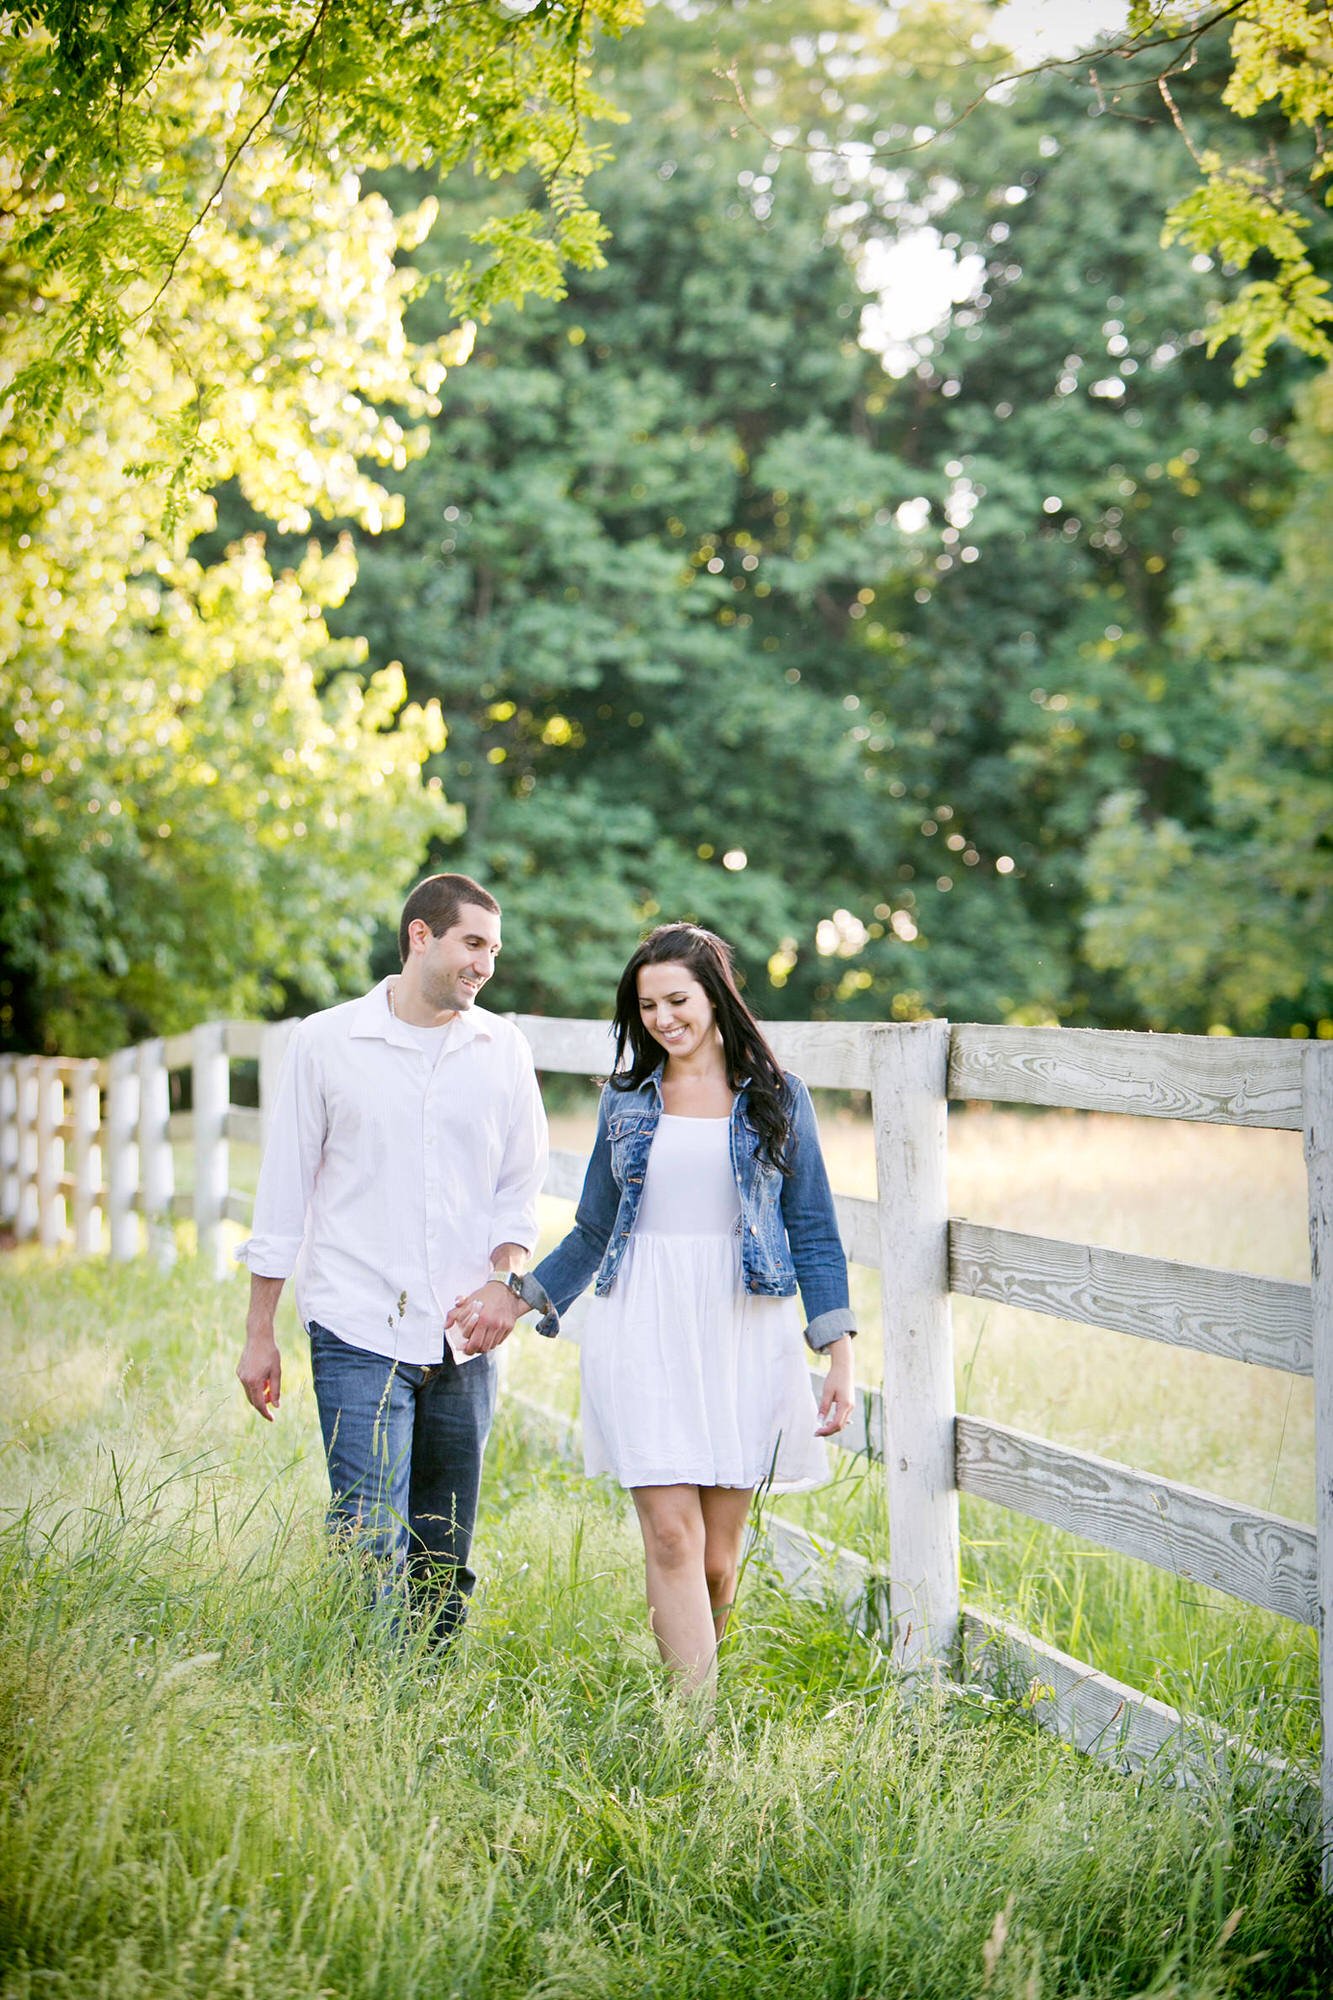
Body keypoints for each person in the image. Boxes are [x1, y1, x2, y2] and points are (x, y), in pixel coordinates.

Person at [449, 922, 856, 1692]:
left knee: (714, 1563)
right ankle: (691, 1735)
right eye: (647, 1006)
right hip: (642, 1323)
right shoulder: (628, 1103)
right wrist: (517, 1295)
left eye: (677, 1000)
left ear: (715, 998)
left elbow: (812, 1230)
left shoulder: (776, 1098)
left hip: (742, 1330)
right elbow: (595, 1229)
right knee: (670, 1537)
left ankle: (693, 1687)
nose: (663, 1019)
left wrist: (836, 1352)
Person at [235, 872, 553, 1643]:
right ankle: (359, 1700)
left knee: (444, 1548)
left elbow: (520, 1185)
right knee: (366, 1539)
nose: (485, 964)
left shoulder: (501, 1048)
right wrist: (259, 1330)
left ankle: (426, 1698)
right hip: (356, 1324)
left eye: (494, 950)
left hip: (465, 1335)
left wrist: (500, 1279)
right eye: (472, 944)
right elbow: (284, 1192)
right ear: (421, 936)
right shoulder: (326, 1041)